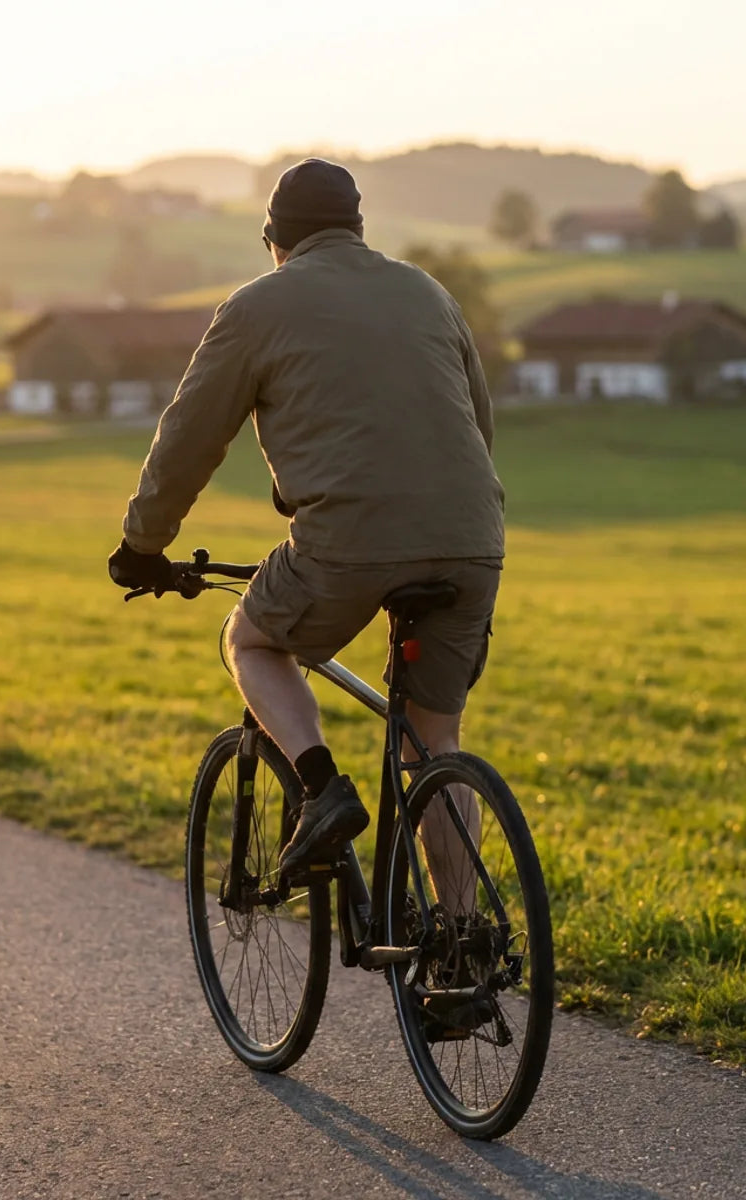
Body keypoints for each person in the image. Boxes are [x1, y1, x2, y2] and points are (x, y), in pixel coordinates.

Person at [108, 158, 504, 887]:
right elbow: (478, 426)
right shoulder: (428, 292)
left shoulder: (259, 306)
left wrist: (143, 545)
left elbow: (189, 438)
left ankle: (322, 789)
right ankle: (459, 955)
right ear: (356, 230)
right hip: (474, 538)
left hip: (349, 542)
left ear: (277, 241)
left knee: (251, 640)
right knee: (434, 744)